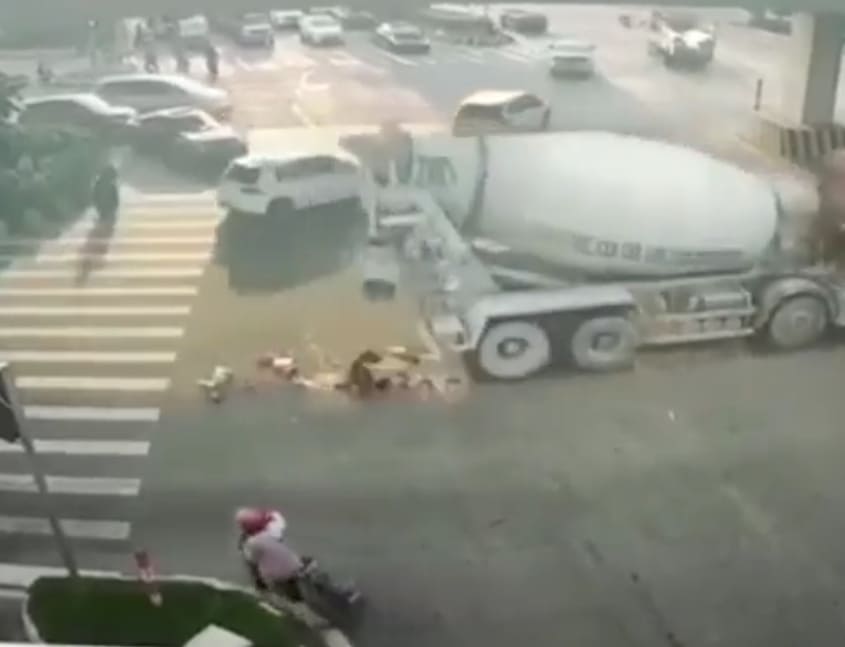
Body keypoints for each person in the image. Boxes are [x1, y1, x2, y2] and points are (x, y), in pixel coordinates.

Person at [236, 508, 304, 601]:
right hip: (294, 565)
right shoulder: (271, 528)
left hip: (275, 575)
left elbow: (252, 560)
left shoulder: (252, 541)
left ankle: (263, 589)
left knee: (255, 565)